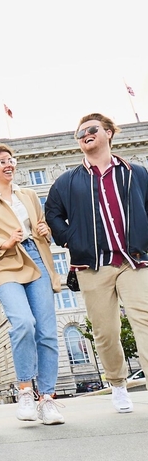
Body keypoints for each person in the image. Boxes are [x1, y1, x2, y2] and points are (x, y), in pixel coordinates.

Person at [45, 113, 148, 414]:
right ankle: (117, 384)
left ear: (109, 133)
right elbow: (52, 214)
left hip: (135, 261)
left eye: (91, 130)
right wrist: (71, 239)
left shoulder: (136, 173)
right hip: (93, 266)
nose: (85, 135)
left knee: (145, 318)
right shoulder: (67, 181)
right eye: (80, 133)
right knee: (105, 331)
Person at [0, 144, 65, 426]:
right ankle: (25, 390)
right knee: (23, 322)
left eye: (10, 160)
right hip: (4, 263)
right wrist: (4, 242)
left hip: (36, 259)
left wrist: (44, 231)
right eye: (1, 162)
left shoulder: (29, 195)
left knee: (47, 331)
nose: (8, 164)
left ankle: (47, 398)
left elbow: (40, 227)